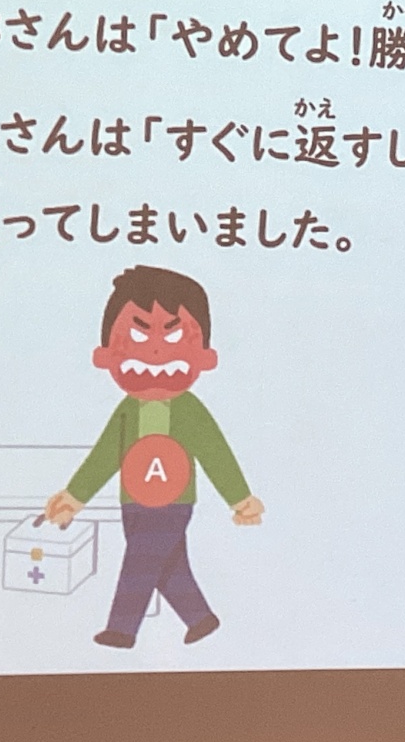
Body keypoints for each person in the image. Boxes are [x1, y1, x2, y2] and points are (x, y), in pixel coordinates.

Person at [44, 265, 263, 649]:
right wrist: (74, 497)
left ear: (204, 355)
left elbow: (216, 454)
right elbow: (104, 457)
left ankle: (122, 629)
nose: (157, 350)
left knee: (141, 561)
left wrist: (240, 499)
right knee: (167, 565)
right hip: (133, 499)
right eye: (138, 334)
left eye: (174, 335)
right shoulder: (128, 411)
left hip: (174, 500)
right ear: (106, 353)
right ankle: (201, 618)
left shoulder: (189, 411)